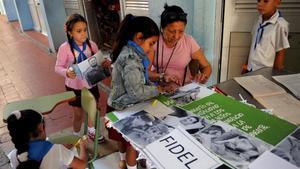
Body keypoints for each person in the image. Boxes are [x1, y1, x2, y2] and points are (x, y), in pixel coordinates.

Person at [106, 14, 161, 169]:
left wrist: (158, 80)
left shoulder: (127, 50)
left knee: (123, 142)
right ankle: (129, 165)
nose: (152, 48)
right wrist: (158, 89)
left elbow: (138, 79)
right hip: (124, 108)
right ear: (139, 37)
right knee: (133, 145)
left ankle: (122, 160)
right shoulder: (131, 59)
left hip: (117, 104)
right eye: (151, 43)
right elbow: (136, 92)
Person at [55, 13, 109, 142]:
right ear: (70, 32)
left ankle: (91, 130)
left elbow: (99, 61)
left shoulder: (92, 45)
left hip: (90, 84)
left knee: (93, 109)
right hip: (74, 87)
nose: (83, 33)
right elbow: (57, 67)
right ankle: (76, 134)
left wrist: (105, 62)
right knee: (78, 114)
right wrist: (67, 72)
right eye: (79, 31)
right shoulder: (65, 48)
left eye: (85, 30)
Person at [149, 4, 212, 88]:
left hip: (184, 90)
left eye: (181, 31)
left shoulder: (189, 41)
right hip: (159, 90)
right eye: (172, 31)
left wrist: (203, 76)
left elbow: (206, 66)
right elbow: (145, 72)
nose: (176, 36)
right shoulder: (154, 42)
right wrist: (161, 76)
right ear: (162, 28)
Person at [6, 109, 87, 169]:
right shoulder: (57, 150)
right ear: (41, 130)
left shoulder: (13, 156)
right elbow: (82, 165)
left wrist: (60, 150)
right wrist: (82, 146)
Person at [242, 0, 290, 73]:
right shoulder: (258, 20)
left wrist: (274, 77)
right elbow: (252, 46)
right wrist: (246, 67)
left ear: (277, 2)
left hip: (265, 75)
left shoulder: (280, 25)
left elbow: (280, 54)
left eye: (265, 1)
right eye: (258, 0)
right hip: (250, 71)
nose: (260, 4)